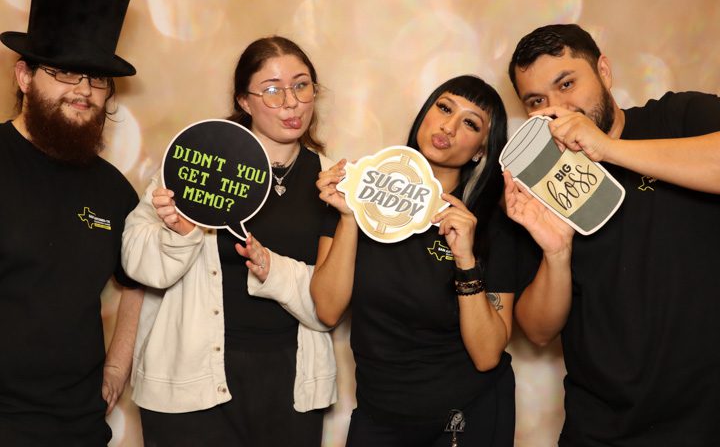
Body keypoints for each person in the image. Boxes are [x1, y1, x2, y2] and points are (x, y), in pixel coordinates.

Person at [504, 23, 720, 446]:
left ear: (603, 71)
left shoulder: (677, 117)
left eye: (567, 84)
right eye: (537, 101)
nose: (557, 109)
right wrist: (557, 254)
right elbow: (537, 330)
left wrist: (607, 148)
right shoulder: (538, 184)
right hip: (600, 429)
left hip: (706, 421)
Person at [121, 36, 337, 447]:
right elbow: (138, 264)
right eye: (272, 90)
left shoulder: (332, 185)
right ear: (244, 101)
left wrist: (273, 269)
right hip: (189, 383)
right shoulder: (198, 162)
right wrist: (181, 234)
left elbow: (330, 307)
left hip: (290, 387)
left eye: (301, 85)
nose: (291, 103)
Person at [312, 75, 522, 446]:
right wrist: (349, 217)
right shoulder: (360, 195)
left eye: (470, 123)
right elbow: (328, 310)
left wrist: (465, 259)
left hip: (464, 414)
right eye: (444, 108)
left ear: (481, 151)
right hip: (379, 411)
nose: (449, 126)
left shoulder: (491, 224)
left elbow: (488, 355)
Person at [0, 0, 142, 445]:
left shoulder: (113, 190)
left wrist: (118, 366)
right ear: (25, 76)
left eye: (97, 78)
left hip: (79, 425)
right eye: (64, 71)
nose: (83, 90)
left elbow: (140, 282)